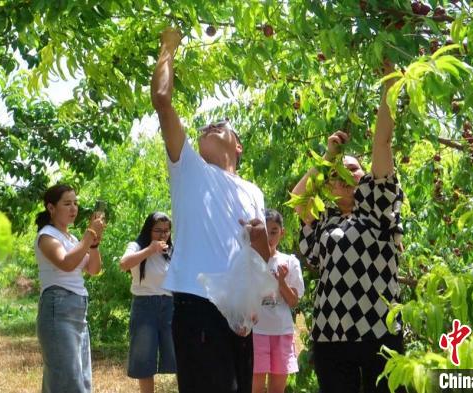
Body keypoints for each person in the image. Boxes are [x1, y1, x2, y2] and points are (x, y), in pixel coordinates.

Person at [151, 27, 271, 393]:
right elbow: (161, 99)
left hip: (238, 316)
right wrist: (167, 48)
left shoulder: (253, 191)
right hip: (198, 304)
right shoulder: (189, 169)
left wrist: (261, 238)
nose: (212, 126)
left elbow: (262, 257)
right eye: (207, 125)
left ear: (239, 146)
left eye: (222, 125)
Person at [293, 61, 404, 393]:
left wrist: (389, 84)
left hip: (379, 332)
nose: (342, 175)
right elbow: (297, 201)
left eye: (351, 169)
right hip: (330, 334)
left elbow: (382, 144)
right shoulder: (325, 219)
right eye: (334, 174)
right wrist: (327, 157)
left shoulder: (377, 207)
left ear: (366, 177)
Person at [34, 184, 105, 393]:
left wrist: (93, 244)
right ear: (51, 208)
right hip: (58, 308)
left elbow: (93, 269)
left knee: (79, 380)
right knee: (69, 383)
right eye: (67, 203)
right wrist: (88, 236)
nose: (73, 208)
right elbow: (65, 262)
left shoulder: (72, 239)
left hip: (77, 309)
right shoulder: (47, 236)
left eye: (75, 203)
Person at [119, 212, 177, 393]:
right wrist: (150, 250)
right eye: (157, 230)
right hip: (145, 306)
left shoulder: (172, 250)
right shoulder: (136, 246)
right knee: (144, 359)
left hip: (170, 306)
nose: (162, 235)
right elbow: (124, 264)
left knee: (179, 356)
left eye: (166, 231)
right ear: (148, 230)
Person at [252, 209, 305, 393]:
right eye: (265, 232)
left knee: (277, 389)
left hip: (281, 332)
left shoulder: (290, 262)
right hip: (256, 331)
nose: (269, 237)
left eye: (274, 231)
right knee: (255, 386)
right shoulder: (250, 262)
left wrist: (281, 282)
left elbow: (293, 301)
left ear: (282, 232)